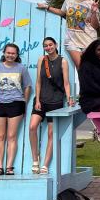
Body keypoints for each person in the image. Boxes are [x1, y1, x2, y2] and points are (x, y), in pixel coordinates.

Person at [29, 37, 75, 174]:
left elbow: (66, 83)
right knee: (32, 127)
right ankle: (35, 159)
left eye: (50, 45)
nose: (48, 47)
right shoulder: (41, 60)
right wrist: (37, 99)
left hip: (56, 102)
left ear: (56, 45)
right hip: (41, 100)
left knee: (51, 133)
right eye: (46, 46)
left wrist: (69, 98)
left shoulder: (63, 61)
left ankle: (45, 164)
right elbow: (38, 81)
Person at [0, 43, 32, 175]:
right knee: (0, 136)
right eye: (8, 53)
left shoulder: (21, 68)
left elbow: (28, 86)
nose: (10, 55)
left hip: (16, 103)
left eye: (13, 53)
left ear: (17, 55)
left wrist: (24, 102)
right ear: (4, 53)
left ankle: (9, 167)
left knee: (12, 136)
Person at [37, 0, 100, 68]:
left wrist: (94, 11)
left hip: (89, 40)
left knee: (90, 68)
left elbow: (95, 26)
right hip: (72, 41)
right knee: (80, 67)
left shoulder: (91, 3)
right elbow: (62, 12)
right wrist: (47, 7)